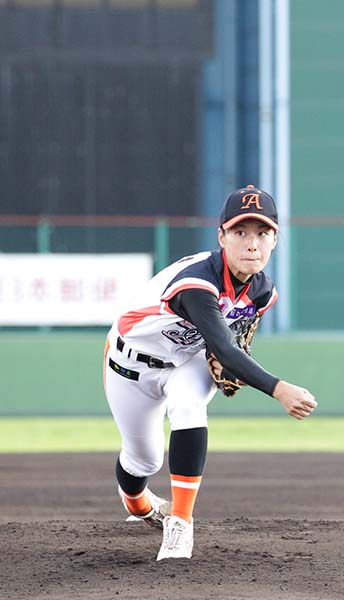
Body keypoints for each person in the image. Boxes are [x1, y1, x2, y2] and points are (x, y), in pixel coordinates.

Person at [102, 185, 318, 561]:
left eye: (262, 233)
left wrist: (224, 356)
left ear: (275, 240)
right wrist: (278, 388)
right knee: (145, 461)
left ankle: (180, 525)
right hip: (130, 364)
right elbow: (227, 349)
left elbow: (231, 345)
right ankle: (137, 503)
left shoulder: (264, 293)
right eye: (240, 232)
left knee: (188, 405)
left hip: (187, 362)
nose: (252, 244)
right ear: (221, 237)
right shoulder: (197, 282)